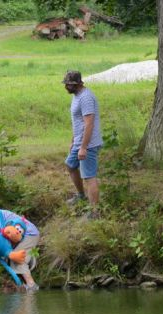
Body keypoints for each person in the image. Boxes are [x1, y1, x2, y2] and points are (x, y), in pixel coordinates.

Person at [63, 70, 103, 219]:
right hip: (79, 142)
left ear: (77, 84)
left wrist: (84, 147)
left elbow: (89, 124)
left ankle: (94, 212)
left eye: (68, 84)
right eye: (65, 83)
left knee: (89, 177)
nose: (66, 86)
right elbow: (78, 121)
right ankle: (81, 196)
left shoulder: (86, 98)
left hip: (89, 144)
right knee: (70, 165)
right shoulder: (77, 96)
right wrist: (74, 140)